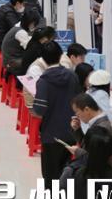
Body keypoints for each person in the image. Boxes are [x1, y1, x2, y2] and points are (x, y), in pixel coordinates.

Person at [31, 41, 79, 190]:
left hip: (51, 134)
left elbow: (39, 110)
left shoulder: (44, 81)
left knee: (51, 174)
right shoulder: (72, 76)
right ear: (60, 55)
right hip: (71, 132)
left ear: (43, 59)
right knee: (68, 171)